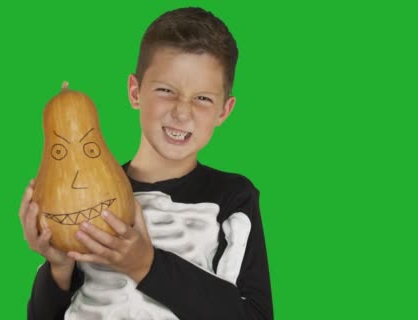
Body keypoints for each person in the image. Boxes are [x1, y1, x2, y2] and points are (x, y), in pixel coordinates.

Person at [19, 7, 273, 320]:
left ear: (224, 110)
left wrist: (146, 264)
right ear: (135, 92)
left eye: (202, 98)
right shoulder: (85, 195)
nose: (182, 112)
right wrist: (58, 266)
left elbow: (257, 315)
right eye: (166, 91)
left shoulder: (233, 196)